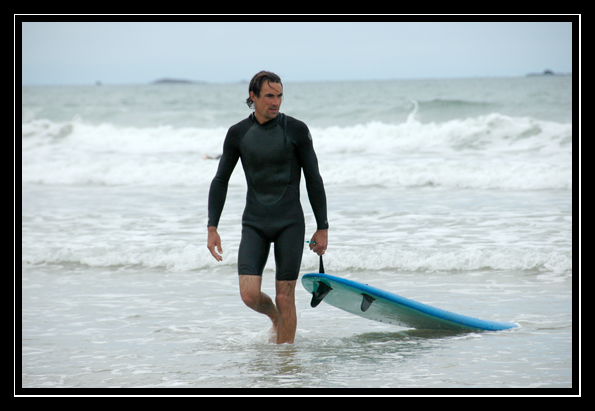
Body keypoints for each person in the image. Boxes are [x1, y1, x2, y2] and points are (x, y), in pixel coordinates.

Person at [207, 71, 328, 344]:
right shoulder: (238, 133)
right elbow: (220, 180)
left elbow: (314, 178)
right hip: (255, 223)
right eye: (270, 96)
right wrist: (212, 226)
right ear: (253, 97)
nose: (276, 102)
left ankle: (286, 364)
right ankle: (275, 318)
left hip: (290, 223)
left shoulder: (296, 130)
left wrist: (323, 227)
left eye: (280, 95)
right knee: (249, 295)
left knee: (285, 295)